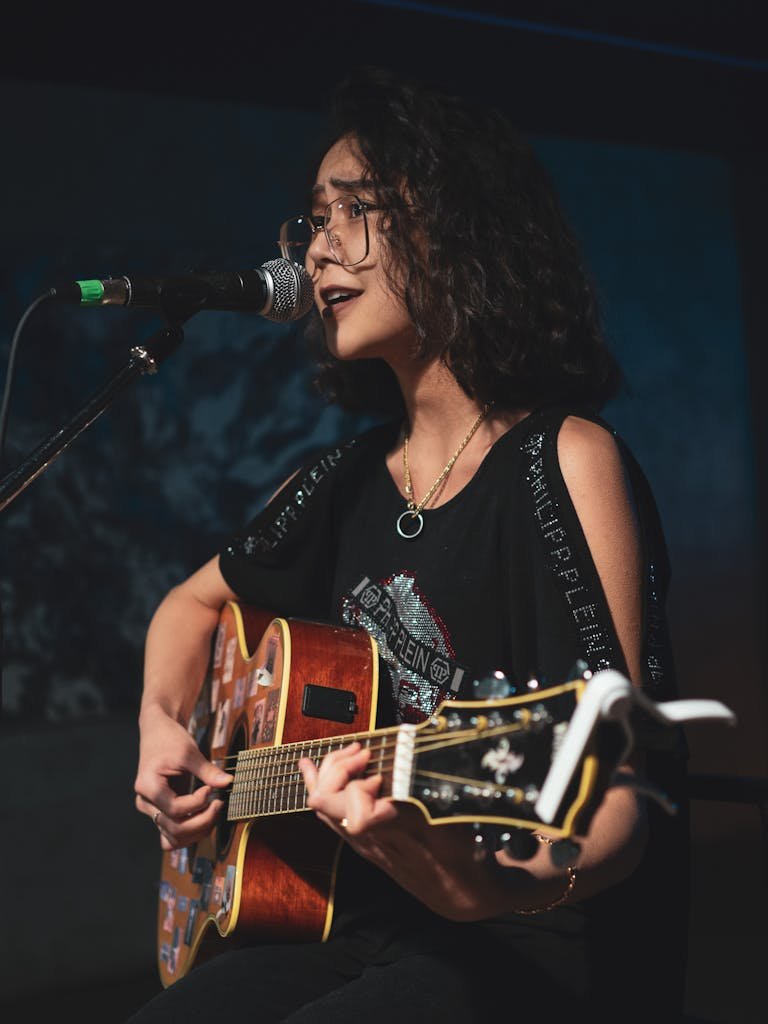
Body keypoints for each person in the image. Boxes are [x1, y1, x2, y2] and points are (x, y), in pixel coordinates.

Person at [128, 68, 688, 1022]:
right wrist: (160, 728)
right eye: (311, 219)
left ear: (460, 234)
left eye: (357, 211)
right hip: (356, 926)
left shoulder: (564, 461)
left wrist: (479, 885)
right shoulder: (338, 480)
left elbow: (618, 796)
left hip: (532, 941)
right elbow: (188, 608)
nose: (317, 249)